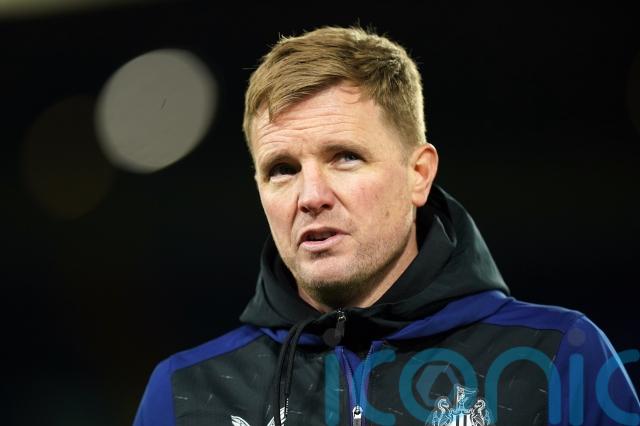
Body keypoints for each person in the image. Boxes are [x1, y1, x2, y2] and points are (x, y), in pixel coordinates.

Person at [133, 26, 639, 426]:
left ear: (418, 174)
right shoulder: (185, 394)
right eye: (282, 169)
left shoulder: (560, 357)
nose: (311, 196)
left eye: (345, 157)